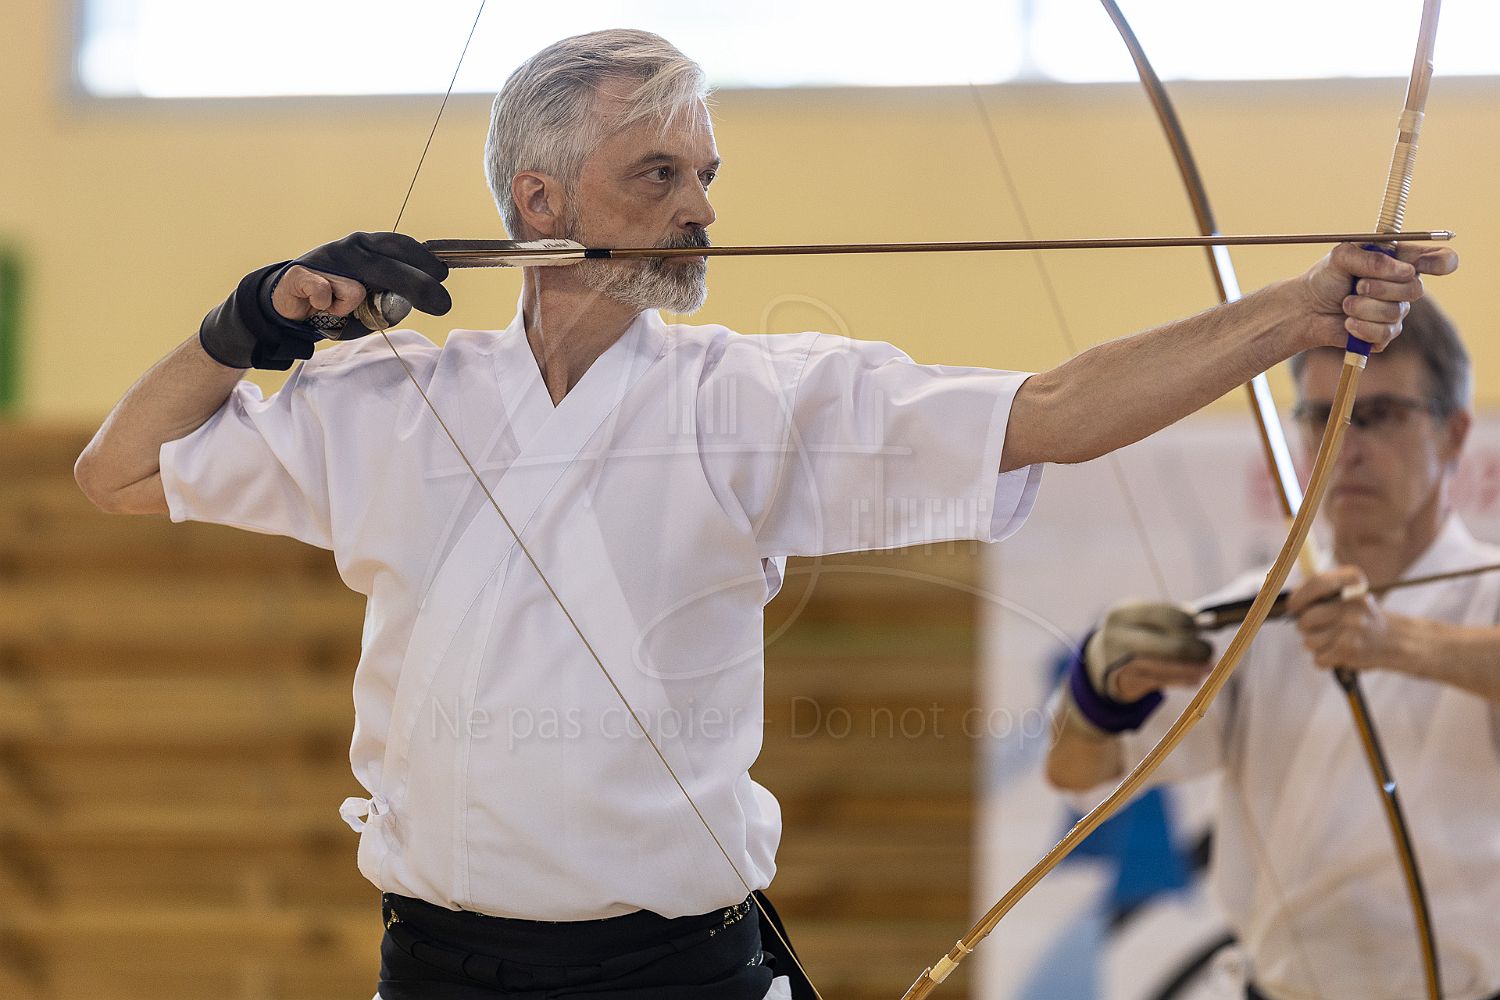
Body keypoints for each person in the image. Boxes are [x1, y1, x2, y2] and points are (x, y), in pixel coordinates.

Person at [72, 28, 1455, 1000]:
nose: (699, 211)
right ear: (539, 200)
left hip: (676, 968)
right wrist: (248, 319)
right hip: (438, 964)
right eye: (657, 176)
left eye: (707, 177)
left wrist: (1299, 309)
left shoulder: (757, 399)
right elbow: (117, 473)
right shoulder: (390, 398)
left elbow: (1051, 410)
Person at [1045, 297, 1500, 1000]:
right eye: (1322, 417)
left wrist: (1395, 641)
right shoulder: (1258, 609)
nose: (1345, 446)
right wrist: (1097, 693)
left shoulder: (1485, 595)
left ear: (1454, 433)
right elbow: (1074, 771)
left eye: (1379, 416)